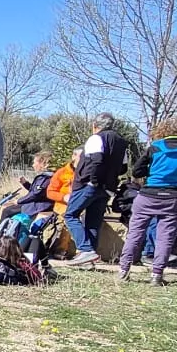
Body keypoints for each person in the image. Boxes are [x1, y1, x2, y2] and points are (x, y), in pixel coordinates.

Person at [118, 121, 177, 285]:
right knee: (165, 237)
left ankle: (123, 270)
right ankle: (157, 275)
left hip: (148, 195)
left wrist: (152, 171)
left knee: (135, 234)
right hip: (173, 197)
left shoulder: (155, 147)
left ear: (163, 131)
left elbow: (136, 171)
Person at [61, 113, 126, 266]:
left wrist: (92, 181)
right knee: (93, 222)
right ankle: (89, 258)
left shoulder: (96, 138)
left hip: (90, 186)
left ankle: (85, 250)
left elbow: (96, 160)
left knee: (71, 215)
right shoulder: (121, 142)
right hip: (108, 188)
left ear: (95, 126)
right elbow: (123, 167)